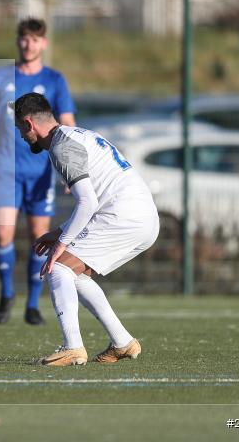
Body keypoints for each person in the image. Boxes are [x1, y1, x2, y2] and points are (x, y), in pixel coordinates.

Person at [13, 92, 159, 366]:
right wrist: (58, 233)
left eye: (20, 128)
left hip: (122, 215)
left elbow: (87, 202)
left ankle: (73, 347)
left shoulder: (61, 146)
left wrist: (60, 245)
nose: (21, 136)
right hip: (144, 218)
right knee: (75, 276)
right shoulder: (76, 134)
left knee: (58, 267)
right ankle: (123, 342)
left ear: (29, 123)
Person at [0, 17, 76, 326]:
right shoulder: (0, 77)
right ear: (18, 41)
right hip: (6, 168)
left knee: (39, 236)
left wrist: (71, 168)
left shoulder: (55, 80)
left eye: (34, 39)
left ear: (43, 43)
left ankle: (33, 303)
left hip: (41, 171)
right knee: (3, 231)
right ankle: (7, 293)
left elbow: (68, 123)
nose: (27, 44)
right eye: (23, 38)